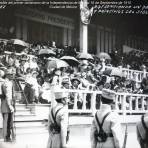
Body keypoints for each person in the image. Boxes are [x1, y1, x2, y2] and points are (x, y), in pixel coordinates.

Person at [1, 68, 15, 142]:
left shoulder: (9, 82)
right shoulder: (7, 83)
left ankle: (8, 136)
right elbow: (7, 95)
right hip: (6, 105)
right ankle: (6, 137)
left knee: (9, 121)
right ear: (7, 75)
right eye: (11, 75)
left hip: (8, 104)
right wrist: (10, 106)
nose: (12, 76)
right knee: (6, 122)